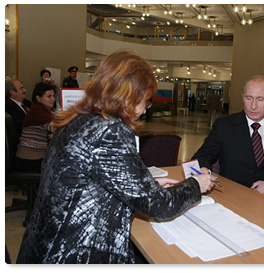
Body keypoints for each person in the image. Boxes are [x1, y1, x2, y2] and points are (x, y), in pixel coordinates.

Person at [16, 50, 215, 264]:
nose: (145, 110)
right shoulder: (109, 130)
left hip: (44, 247)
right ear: (131, 95)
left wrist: (147, 183)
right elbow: (158, 205)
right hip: (73, 255)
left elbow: (93, 179)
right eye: (146, 101)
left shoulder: (78, 119)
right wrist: (195, 184)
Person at [192, 75, 264, 202]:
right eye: (249, 98)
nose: (253, 106)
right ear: (243, 96)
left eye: (260, 99)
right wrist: (204, 170)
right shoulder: (225, 126)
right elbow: (202, 155)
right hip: (230, 197)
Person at [15, 82, 56, 172]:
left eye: (53, 96)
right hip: (30, 160)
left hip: (33, 157)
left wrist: (56, 133)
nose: (53, 99)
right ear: (38, 98)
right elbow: (55, 127)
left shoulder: (41, 109)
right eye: (49, 96)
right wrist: (57, 132)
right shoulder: (38, 111)